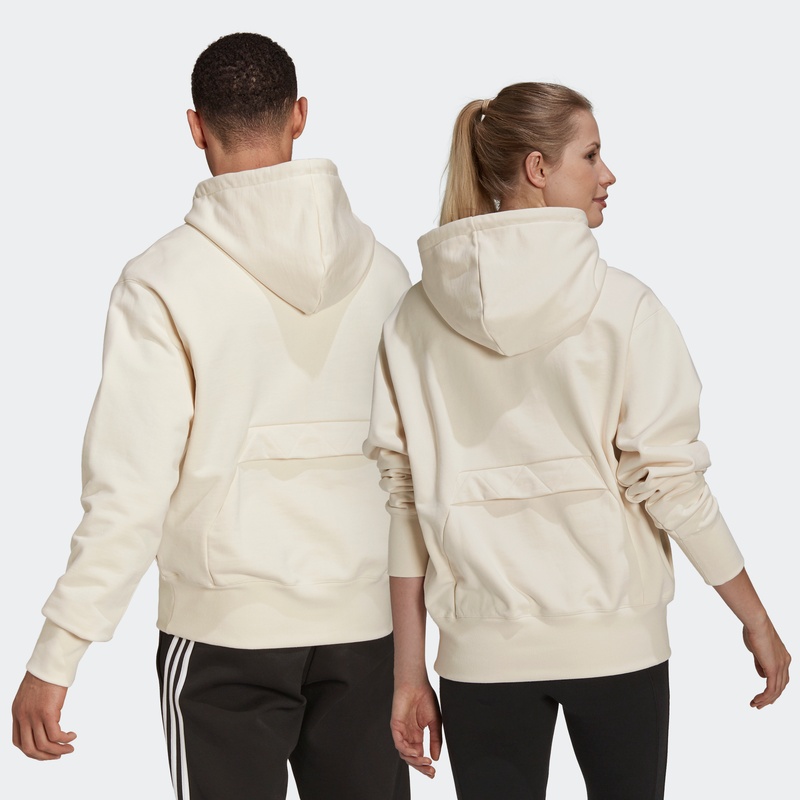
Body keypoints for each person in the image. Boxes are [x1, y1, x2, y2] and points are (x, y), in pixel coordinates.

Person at [12, 32, 411, 800]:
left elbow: (130, 490)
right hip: (368, 630)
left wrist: (56, 655)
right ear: (299, 116)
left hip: (227, 635)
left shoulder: (163, 282)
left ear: (195, 127)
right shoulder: (388, 276)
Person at [364, 82, 791, 799]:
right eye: (590, 155)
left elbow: (405, 502)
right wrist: (755, 618)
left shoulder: (413, 318)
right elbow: (672, 485)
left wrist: (409, 672)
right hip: (615, 643)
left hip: (480, 657)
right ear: (537, 168)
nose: (608, 174)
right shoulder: (623, 307)